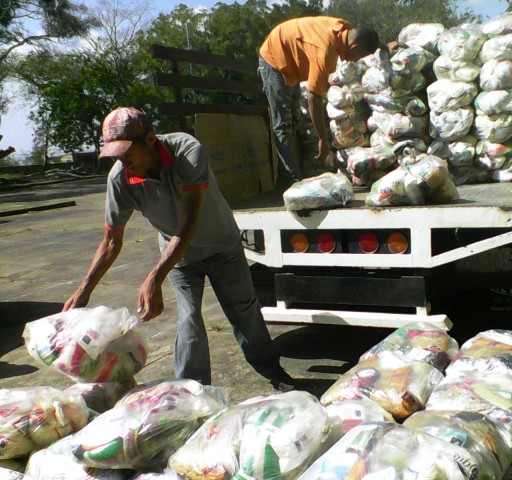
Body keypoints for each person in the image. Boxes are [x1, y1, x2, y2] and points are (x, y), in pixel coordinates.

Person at [62, 106, 296, 391]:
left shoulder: (187, 150)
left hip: (222, 246)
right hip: (179, 258)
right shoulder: (120, 179)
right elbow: (111, 241)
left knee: (244, 311)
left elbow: (188, 224)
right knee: (189, 321)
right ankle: (192, 392)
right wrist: (84, 289)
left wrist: (154, 277)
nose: (123, 162)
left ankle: (272, 371)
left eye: (127, 153)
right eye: (116, 155)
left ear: (150, 140)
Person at [258, 16, 380, 185]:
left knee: (295, 118)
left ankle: (287, 172)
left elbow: (364, 37)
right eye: (359, 56)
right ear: (355, 47)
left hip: (291, 55)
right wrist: (322, 139)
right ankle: (292, 181)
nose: (355, 60)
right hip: (274, 59)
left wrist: (384, 47)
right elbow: (313, 99)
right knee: (283, 124)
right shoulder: (325, 53)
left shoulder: (344, 28)